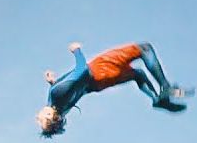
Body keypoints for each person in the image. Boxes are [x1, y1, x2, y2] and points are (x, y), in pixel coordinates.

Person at [37, 41, 189, 137]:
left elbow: (70, 91)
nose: (37, 118)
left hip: (98, 84)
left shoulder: (60, 109)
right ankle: (165, 87)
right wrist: (77, 51)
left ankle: (156, 99)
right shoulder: (56, 95)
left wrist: (53, 81)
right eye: (41, 119)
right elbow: (81, 70)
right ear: (50, 115)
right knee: (144, 48)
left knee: (138, 74)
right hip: (98, 70)